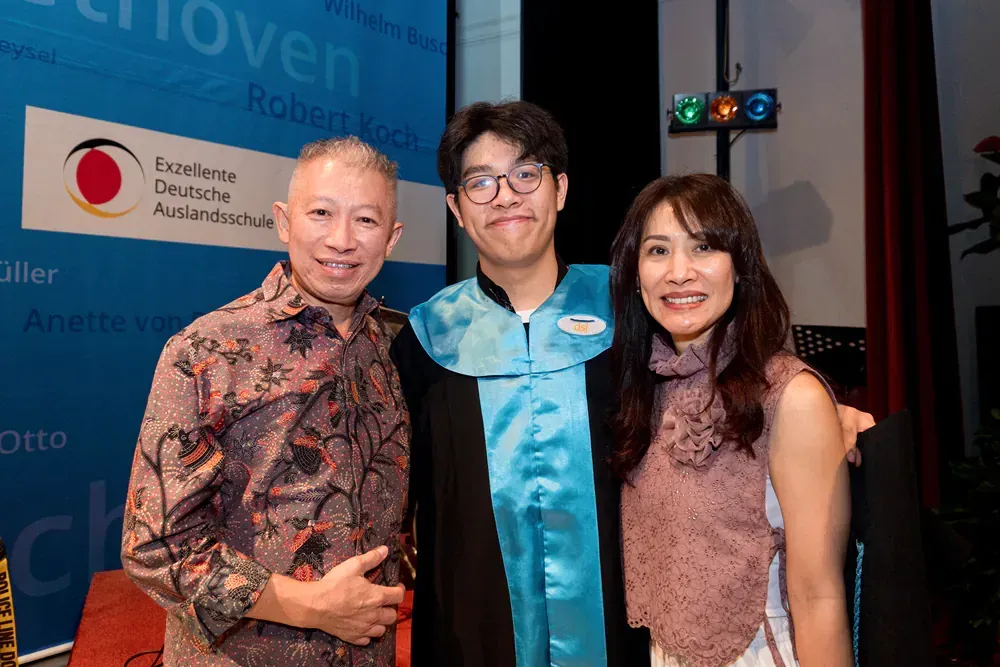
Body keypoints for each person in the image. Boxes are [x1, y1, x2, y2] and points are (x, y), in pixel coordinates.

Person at [390, 100, 872, 667]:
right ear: (456, 208)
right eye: (481, 183)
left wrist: (817, 417)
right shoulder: (424, 341)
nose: (506, 195)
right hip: (474, 633)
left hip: (628, 635)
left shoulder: (631, 317)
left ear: (561, 189)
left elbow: (728, 372)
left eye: (525, 174)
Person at [121, 137, 409, 666]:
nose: (341, 239)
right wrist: (312, 606)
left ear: (391, 238)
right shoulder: (206, 350)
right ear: (283, 221)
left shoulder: (393, 349)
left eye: (365, 221)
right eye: (321, 212)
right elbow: (155, 547)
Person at [610, 174, 854, 667]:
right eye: (658, 251)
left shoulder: (791, 395)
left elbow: (819, 598)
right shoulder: (642, 391)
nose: (679, 273)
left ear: (740, 266)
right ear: (635, 276)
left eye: (703, 248)